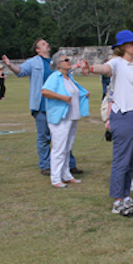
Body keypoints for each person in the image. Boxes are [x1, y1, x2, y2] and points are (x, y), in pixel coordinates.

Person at [82, 30, 133, 214]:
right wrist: (91, 68)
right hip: (125, 116)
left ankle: (126, 196)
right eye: (132, 43)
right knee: (122, 160)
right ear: (122, 47)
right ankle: (118, 200)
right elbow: (105, 69)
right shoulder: (116, 63)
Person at [2, 39, 82, 176]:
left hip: (58, 105)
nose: (47, 45)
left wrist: (76, 66)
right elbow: (20, 71)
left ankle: (69, 164)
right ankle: (46, 165)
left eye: (47, 43)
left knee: (64, 134)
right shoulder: (33, 62)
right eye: (43, 44)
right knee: (44, 137)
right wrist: (9, 65)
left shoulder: (54, 62)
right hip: (41, 106)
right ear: (37, 50)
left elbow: (64, 74)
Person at [41, 51, 90, 188]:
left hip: (72, 116)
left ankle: (66, 174)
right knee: (59, 148)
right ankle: (55, 178)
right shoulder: (54, 77)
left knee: (67, 147)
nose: (69, 62)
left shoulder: (68, 77)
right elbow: (45, 91)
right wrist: (62, 98)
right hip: (60, 118)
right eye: (66, 60)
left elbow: (74, 92)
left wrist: (84, 94)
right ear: (58, 64)